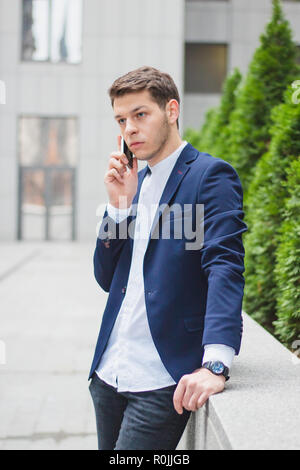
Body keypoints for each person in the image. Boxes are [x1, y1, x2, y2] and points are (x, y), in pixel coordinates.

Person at [88, 66, 248, 450]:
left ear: (172, 110)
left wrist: (216, 364)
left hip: (160, 378)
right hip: (109, 374)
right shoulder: (133, 182)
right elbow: (106, 277)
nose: (129, 129)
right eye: (122, 120)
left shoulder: (209, 176)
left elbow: (224, 265)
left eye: (141, 115)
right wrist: (120, 209)